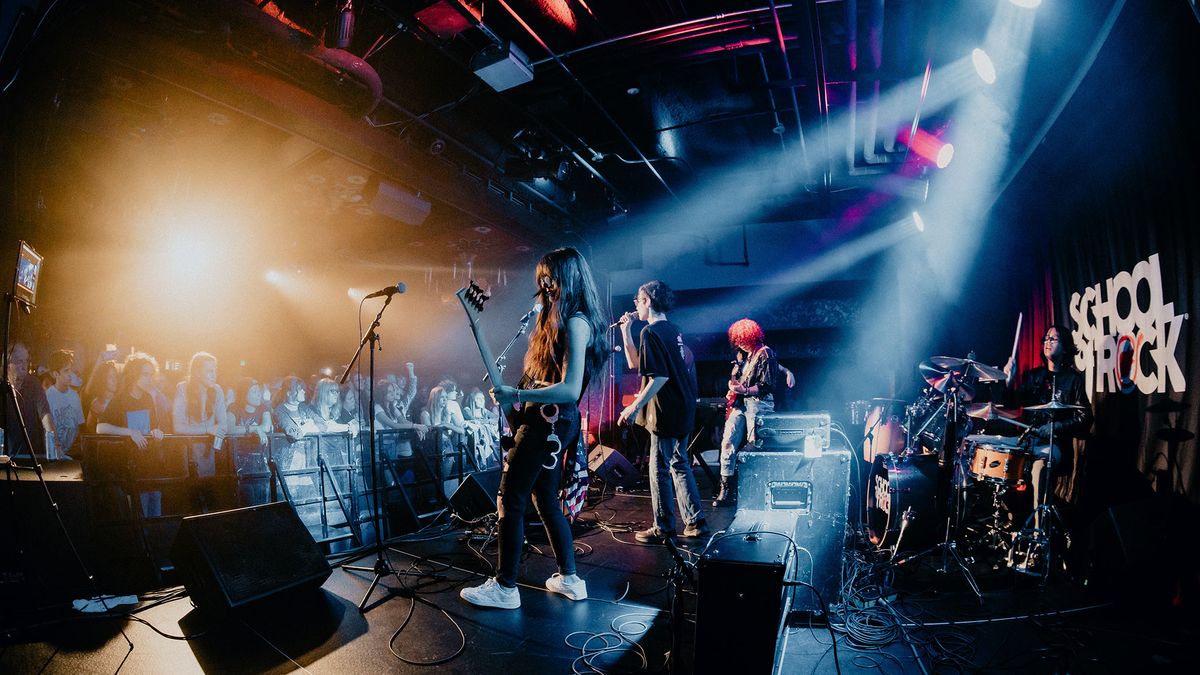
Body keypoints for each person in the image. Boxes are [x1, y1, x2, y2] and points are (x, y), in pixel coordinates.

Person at [460, 246, 609, 610]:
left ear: (568, 277)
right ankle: (569, 578)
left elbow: (571, 389)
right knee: (546, 501)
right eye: (541, 277)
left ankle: (505, 588)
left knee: (510, 499)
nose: (544, 284)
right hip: (552, 422)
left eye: (551, 277)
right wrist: (517, 397)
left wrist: (517, 392)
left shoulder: (576, 321)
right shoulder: (560, 319)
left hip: (549, 423)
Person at [617, 280, 708, 543]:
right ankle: (696, 522)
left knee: (658, 469)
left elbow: (658, 376)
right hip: (683, 406)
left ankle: (663, 527)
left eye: (637, 300)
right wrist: (626, 333)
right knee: (679, 464)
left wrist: (634, 407)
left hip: (666, 410)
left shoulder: (651, 332)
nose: (635, 304)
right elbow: (637, 364)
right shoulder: (672, 330)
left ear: (647, 301)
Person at [1003, 324, 1093, 530]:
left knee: (1038, 468)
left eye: (1054, 339)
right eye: (1046, 339)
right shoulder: (1034, 377)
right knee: (1000, 458)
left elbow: (1085, 417)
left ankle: (1039, 534)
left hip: (1055, 445)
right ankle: (1009, 521)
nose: (1047, 342)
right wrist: (1009, 380)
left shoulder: (1073, 380)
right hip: (1028, 442)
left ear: (1065, 346)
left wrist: (1055, 427)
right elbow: (1011, 403)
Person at [713, 318, 781, 507]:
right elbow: (742, 382)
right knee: (728, 442)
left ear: (752, 336)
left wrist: (745, 391)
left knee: (755, 446)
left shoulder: (765, 354)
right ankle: (725, 489)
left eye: (743, 339)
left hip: (758, 404)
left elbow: (766, 385)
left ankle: (755, 490)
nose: (740, 343)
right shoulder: (745, 357)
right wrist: (734, 388)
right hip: (740, 404)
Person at [97, 352, 167, 516]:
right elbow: (100, 427)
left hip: (151, 467)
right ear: (134, 375)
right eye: (145, 375)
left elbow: (152, 427)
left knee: (155, 517)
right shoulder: (120, 399)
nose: (150, 379)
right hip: (131, 469)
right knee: (139, 520)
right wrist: (129, 432)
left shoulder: (149, 398)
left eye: (151, 375)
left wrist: (156, 432)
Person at [3, 342, 55, 461]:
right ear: (8, 365)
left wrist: (54, 445)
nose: (24, 365)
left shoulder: (34, 384)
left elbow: (46, 415)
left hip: (34, 456)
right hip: (7, 458)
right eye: (20, 361)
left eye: (26, 361)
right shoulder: (2, 388)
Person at [172, 352, 228, 450]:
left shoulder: (217, 390)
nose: (214, 375)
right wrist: (207, 429)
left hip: (208, 449)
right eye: (209, 371)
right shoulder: (183, 388)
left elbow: (223, 425)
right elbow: (178, 427)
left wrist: (217, 442)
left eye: (215, 371)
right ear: (197, 373)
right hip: (188, 449)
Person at [45, 349, 85, 460]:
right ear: (55, 374)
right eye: (66, 371)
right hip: (53, 454)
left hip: (71, 454)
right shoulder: (48, 397)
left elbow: (80, 426)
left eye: (70, 370)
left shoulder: (75, 396)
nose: (70, 375)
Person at [83, 359, 120, 434]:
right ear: (103, 379)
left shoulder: (120, 399)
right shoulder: (97, 403)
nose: (114, 380)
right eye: (110, 377)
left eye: (115, 376)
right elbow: (91, 429)